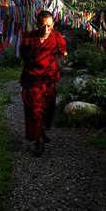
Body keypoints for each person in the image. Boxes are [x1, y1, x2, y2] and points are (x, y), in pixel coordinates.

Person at [19, 10, 67, 157]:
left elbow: (63, 53)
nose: (46, 30)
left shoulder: (57, 37)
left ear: (53, 25)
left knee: (48, 108)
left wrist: (60, 62)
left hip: (49, 80)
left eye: (49, 26)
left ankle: (42, 131)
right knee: (35, 110)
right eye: (42, 26)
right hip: (32, 81)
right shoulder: (28, 39)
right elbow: (24, 58)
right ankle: (38, 141)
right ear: (36, 24)